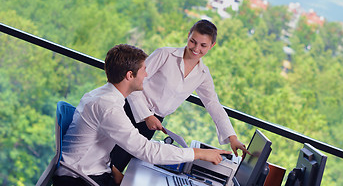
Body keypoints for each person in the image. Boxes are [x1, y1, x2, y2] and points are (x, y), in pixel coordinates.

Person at [53, 44, 231, 186]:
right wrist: (198, 154)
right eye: (144, 70)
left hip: (94, 171)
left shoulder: (104, 95)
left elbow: (95, 145)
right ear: (130, 75)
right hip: (79, 179)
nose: (147, 74)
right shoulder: (109, 108)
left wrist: (112, 169)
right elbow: (147, 151)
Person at [110, 20, 251, 182]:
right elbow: (133, 83)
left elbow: (213, 104)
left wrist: (232, 138)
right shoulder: (165, 54)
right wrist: (146, 115)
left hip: (153, 123)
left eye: (203, 45)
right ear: (188, 36)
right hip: (132, 110)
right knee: (111, 163)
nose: (196, 49)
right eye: (193, 41)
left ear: (212, 46)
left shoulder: (203, 74)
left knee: (124, 164)